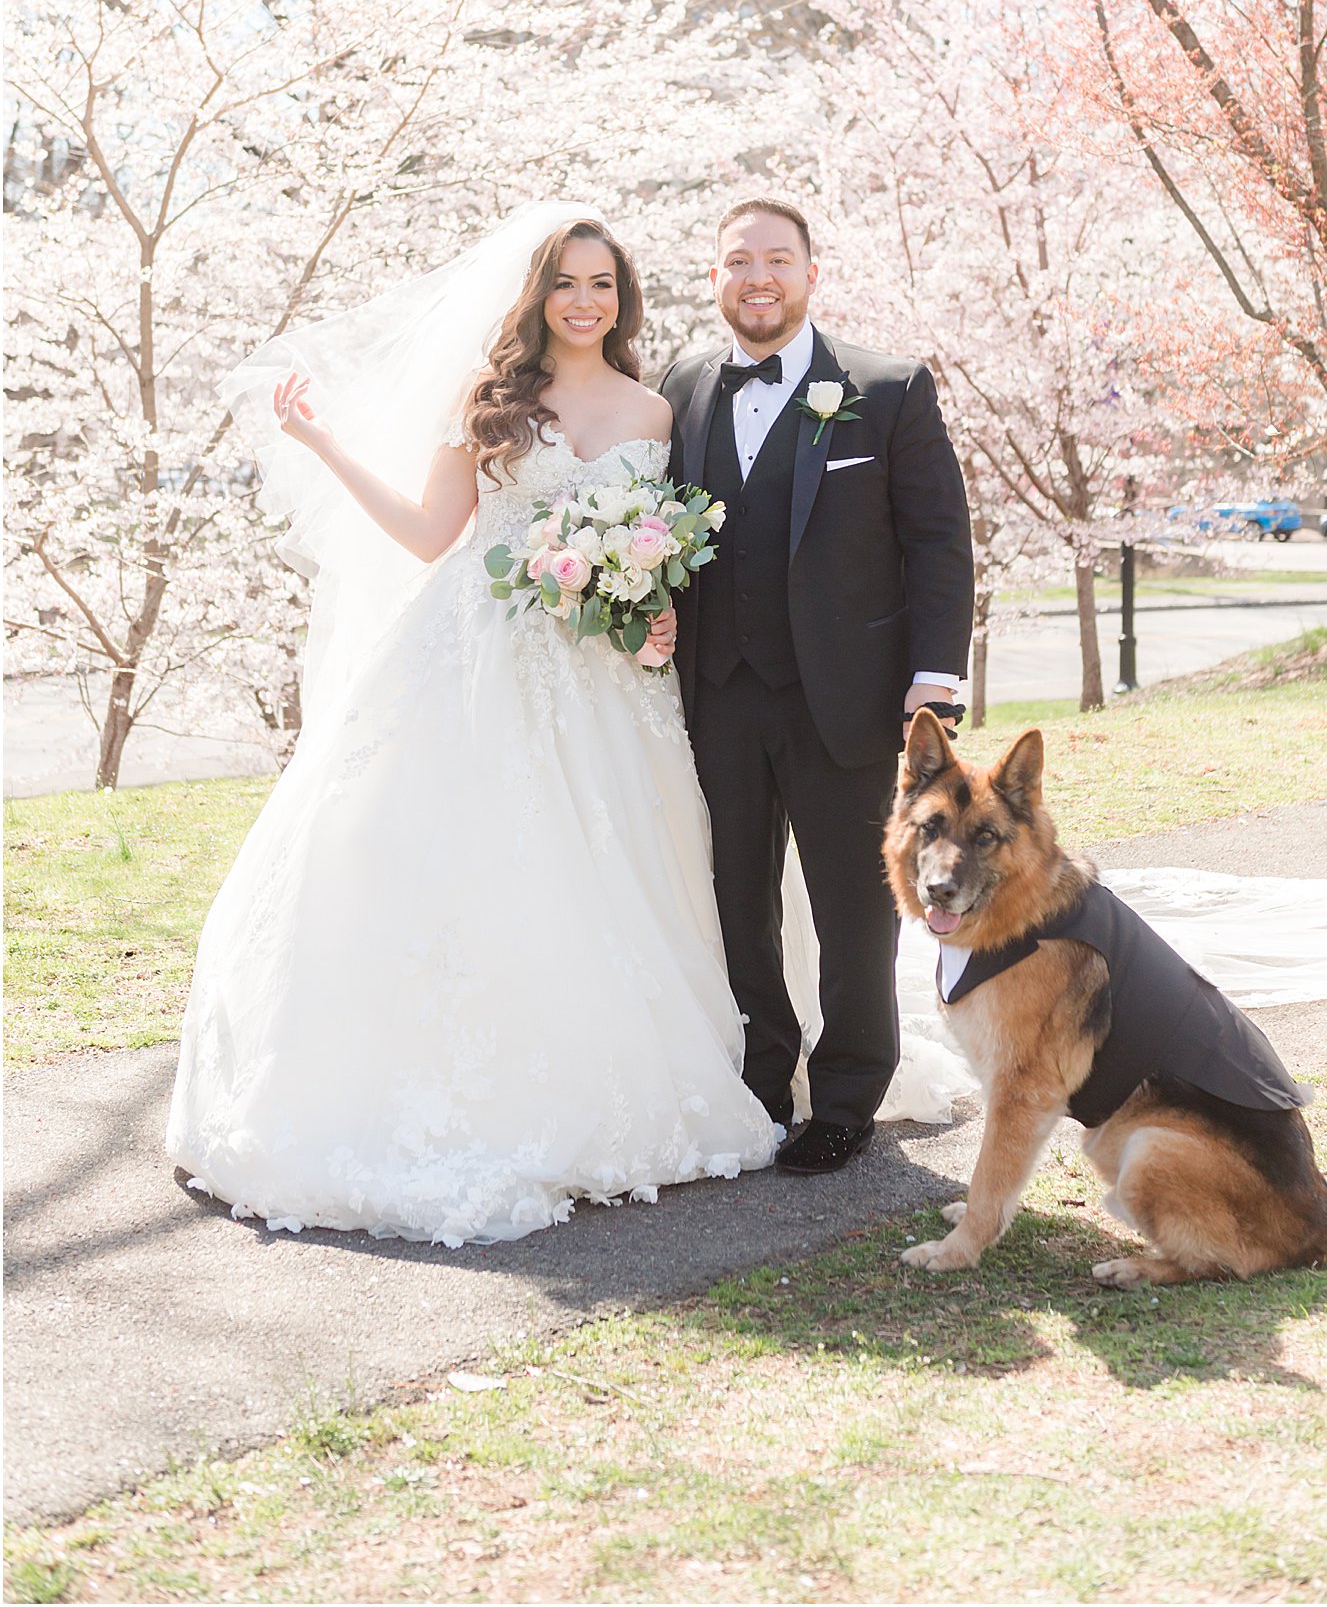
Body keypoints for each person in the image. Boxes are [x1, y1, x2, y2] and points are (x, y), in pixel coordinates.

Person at [167, 206, 778, 1245]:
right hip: (479, 659)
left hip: (607, 678)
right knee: (463, 862)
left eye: (602, 285)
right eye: (564, 283)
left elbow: (664, 544)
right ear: (534, 296)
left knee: (619, 863)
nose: (584, 303)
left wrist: (653, 604)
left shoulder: (652, 412)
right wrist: (320, 442)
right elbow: (425, 534)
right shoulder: (492, 405)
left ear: (621, 299)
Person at [661, 199, 976, 1175]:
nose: (757, 278)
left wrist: (932, 681)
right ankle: (761, 1078)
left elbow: (936, 539)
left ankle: (846, 1096)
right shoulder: (677, 386)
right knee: (736, 898)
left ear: (808, 273)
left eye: (776, 260)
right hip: (717, 690)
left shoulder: (884, 389)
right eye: (736, 261)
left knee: (852, 905)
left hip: (846, 696)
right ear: (714, 278)